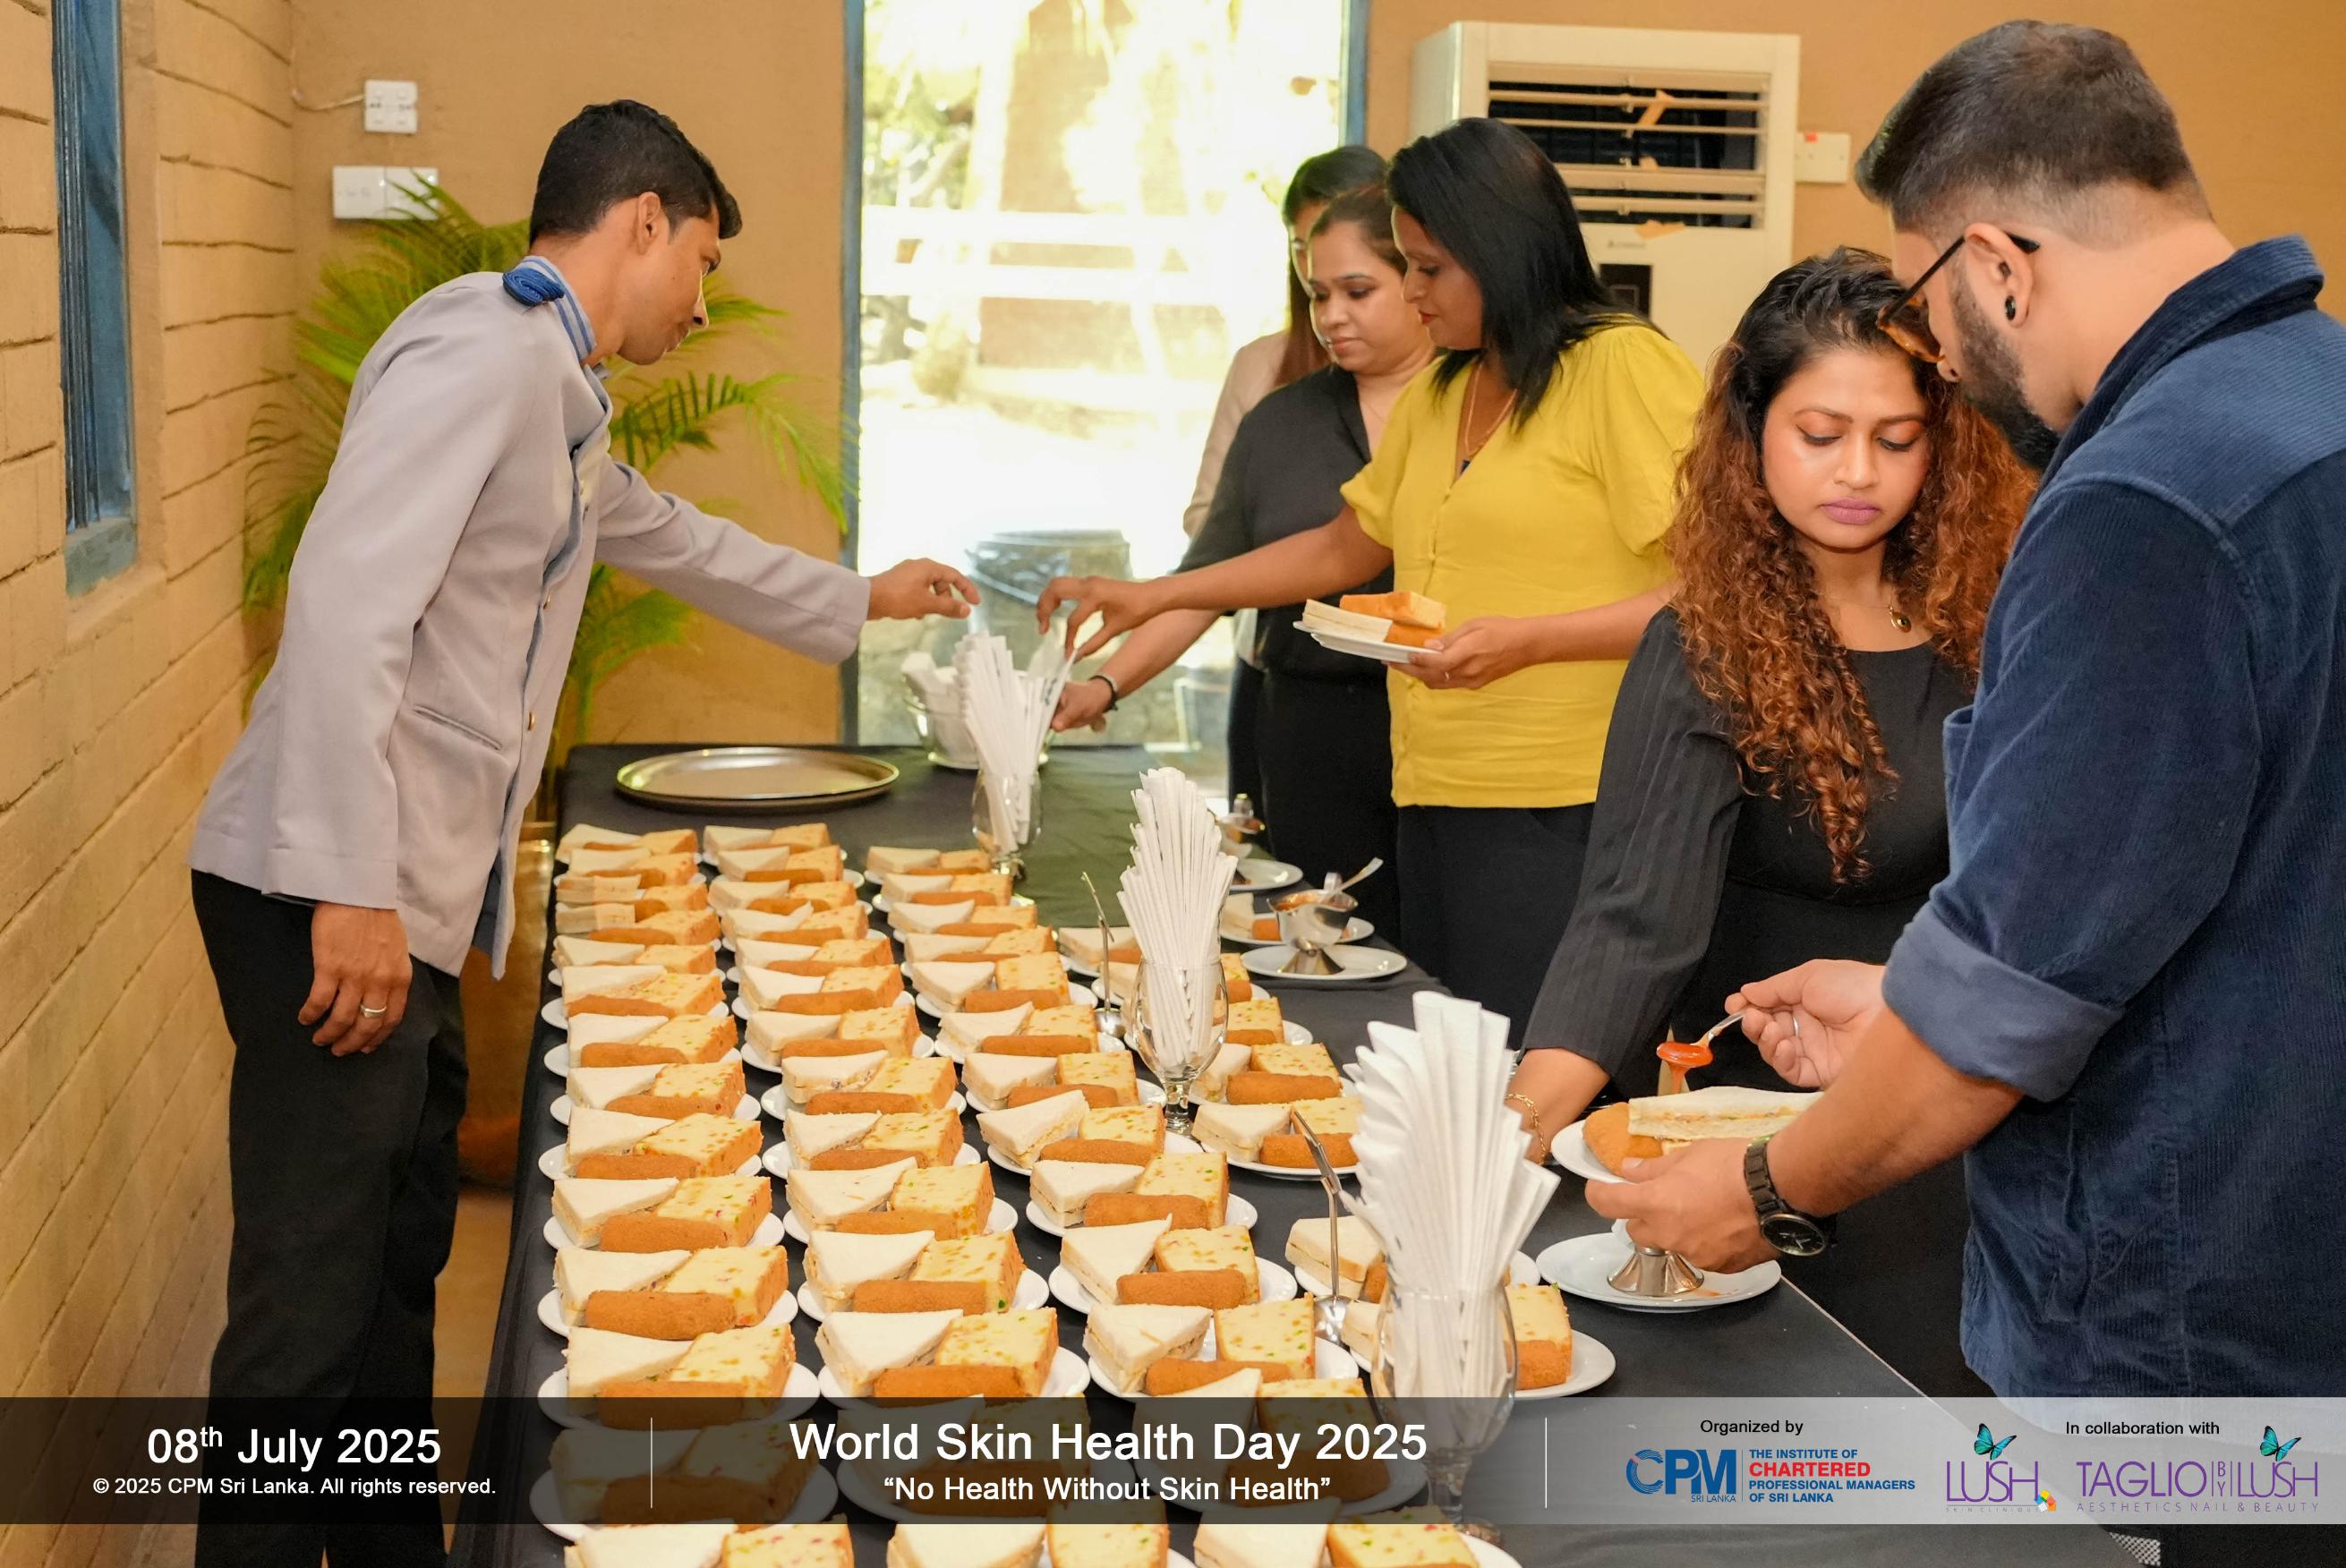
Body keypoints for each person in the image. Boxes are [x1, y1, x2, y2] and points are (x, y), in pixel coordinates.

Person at [184, 101, 974, 1566]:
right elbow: (348, 604)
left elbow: (670, 535)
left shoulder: (556, 385)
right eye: (704, 262)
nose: (703, 302)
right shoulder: (483, 349)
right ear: (644, 220)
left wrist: (859, 598)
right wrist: (349, 888)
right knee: (303, 1324)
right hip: (329, 889)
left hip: (400, 899)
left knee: (391, 1277)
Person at [1587, 21, 2346, 1426]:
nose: (1940, 351)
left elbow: (2013, 992)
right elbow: (2220, 884)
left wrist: (1767, 1187)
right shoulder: (2318, 396)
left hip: (2177, 1333)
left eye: (1931, 308)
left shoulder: (2137, 500)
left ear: (1997, 263)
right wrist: (1900, 1005)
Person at [1042, 118, 1702, 1036]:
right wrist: (1156, 593)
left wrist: (1532, 642)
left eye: (1427, 268)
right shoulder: (1445, 388)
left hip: (1571, 795)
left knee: (1535, 1066)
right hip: (1434, 786)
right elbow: (1340, 549)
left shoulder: (1617, 365)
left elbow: (1716, 586)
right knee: (1445, 1054)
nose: (1414, 291)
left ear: (1499, 250)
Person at [1504, 249, 2029, 1394]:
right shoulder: (1700, 646)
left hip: (1950, 1109)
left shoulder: (1996, 624)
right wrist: (1501, 1141)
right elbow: (1631, 926)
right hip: (1748, 1124)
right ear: (1751, 433)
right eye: (1819, 434)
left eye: (1896, 438)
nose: (1858, 472)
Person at [1056, 185, 1435, 933]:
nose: (1332, 315)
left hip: (1451, 720)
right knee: (1315, 941)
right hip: (1310, 730)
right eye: (1318, 295)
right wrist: (1103, 684)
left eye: (1357, 291)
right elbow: (1205, 583)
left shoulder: (1479, 405)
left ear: (1418, 282)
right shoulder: (1280, 423)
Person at [1180, 145, 1386, 838]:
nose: (1329, 304)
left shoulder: (1452, 393)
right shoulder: (1268, 377)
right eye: (1303, 253)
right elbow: (1209, 527)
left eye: (1356, 287)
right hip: (1286, 667)